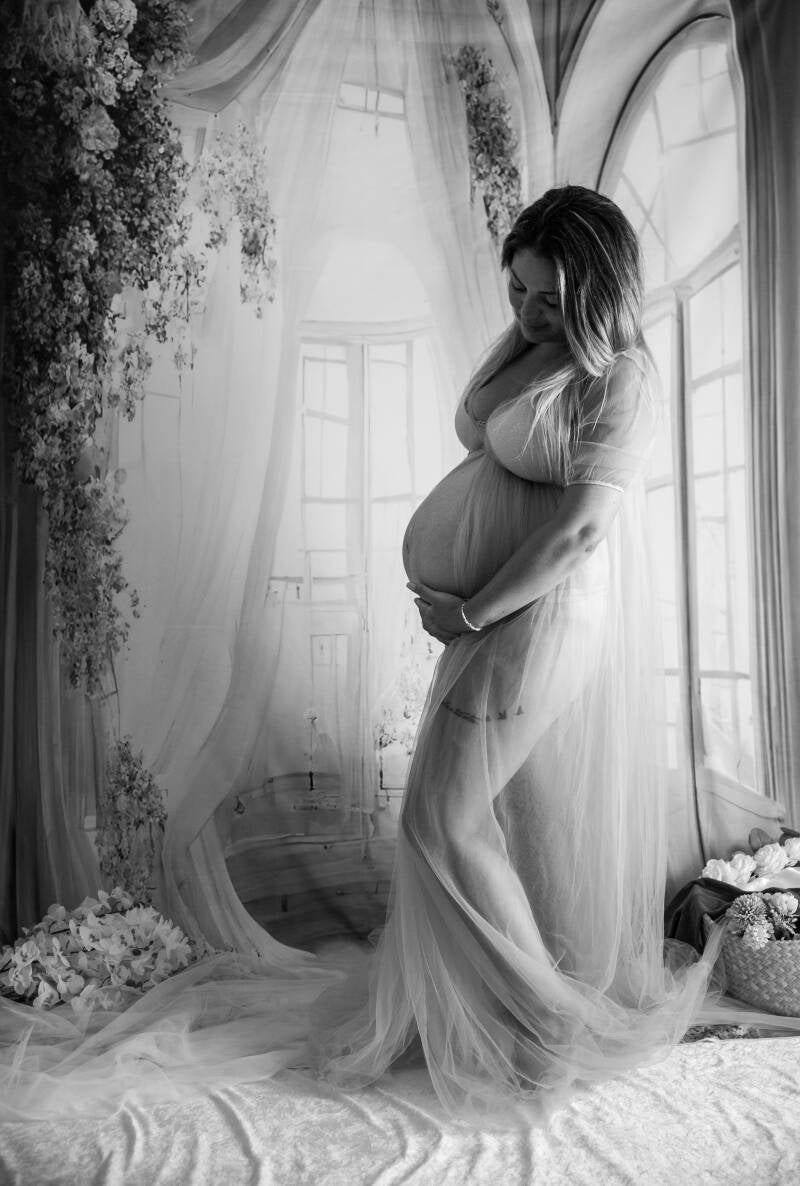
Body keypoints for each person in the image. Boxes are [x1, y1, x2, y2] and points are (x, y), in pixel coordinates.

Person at [304, 185, 721, 1123]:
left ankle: (550, 1028)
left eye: (549, 297)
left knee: (443, 817)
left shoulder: (622, 378)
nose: (529, 312)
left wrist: (472, 611)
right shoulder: (534, 347)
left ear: (598, 290)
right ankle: (501, 1011)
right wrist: (468, 606)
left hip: (543, 614)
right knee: (460, 816)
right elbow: (485, 436)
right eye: (518, 292)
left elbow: (580, 531)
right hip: (497, 615)